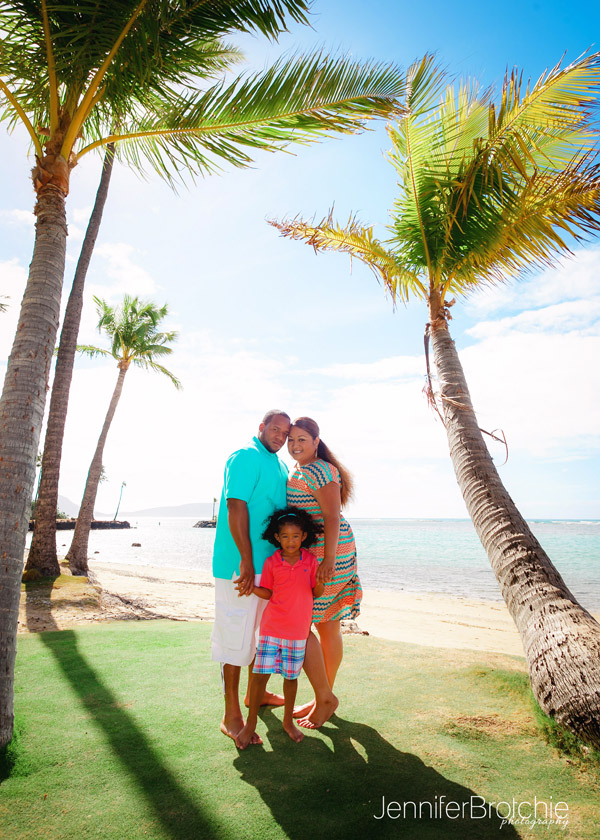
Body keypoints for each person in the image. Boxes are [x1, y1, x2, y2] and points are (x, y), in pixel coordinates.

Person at [211, 410, 291, 743]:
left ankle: (255, 693)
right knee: (235, 635)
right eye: (275, 429)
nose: (280, 437)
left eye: (285, 433)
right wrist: (245, 558)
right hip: (239, 566)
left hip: (269, 566)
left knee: (263, 635)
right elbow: (236, 505)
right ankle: (231, 714)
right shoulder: (244, 456)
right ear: (261, 427)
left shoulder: (280, 465)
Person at [286, 416, 362, 728]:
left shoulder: (321, 470)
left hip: (330, 553)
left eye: (302, 439)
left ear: (316, 442)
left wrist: (328, 559)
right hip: (313, 554)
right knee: (325, 624)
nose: (295, 445)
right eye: (291, 440)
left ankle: (324, 697)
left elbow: (332, 516)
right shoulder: (299, 469)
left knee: (318, 624)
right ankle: (324, 696)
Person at [236, 506, 324, 749]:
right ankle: (250, 723)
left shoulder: (311, 561)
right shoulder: (272, 562)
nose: (290, 541)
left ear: (304, 536)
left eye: (295, 536)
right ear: (277, 537)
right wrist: (252, 588)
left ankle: (287, 722)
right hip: (272, 629)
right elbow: (268, 592)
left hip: (297, 633)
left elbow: (316, 593)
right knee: (259, 677)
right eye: (285, 536)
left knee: (290, 678)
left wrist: (321, 582)